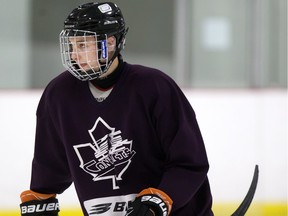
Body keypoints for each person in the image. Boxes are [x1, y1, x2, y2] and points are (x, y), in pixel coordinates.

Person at [20, 2, 213, 216]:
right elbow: (50, 166)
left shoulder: (154, 86)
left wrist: (159, 200)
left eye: (83, 45)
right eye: (72, 46)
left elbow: (189, 162)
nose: (74, 55)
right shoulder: (59, 94)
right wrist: (40, 198)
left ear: (109, 43)